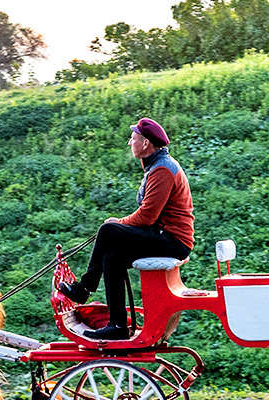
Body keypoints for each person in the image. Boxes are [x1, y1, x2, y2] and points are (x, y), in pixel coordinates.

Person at [58, 117, 194, 340]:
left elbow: (147, 217)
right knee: (112, 258)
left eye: (133, 139)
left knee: (107, 231)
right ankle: (118, 326)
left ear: (146, 143)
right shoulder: (157, 166)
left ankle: (84, 289)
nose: (129, 143)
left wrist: (116, 223)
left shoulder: (163, 170)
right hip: (163, 235)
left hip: (172, 241)